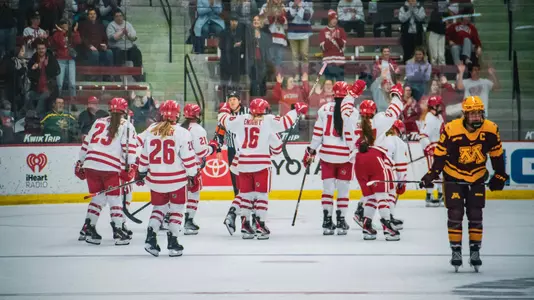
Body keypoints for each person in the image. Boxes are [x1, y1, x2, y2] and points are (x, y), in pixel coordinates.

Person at [420, 96, 508, 272]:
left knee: (476, 214)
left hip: (476, 176)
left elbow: (497, 155)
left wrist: (500, 174)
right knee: (455, 213)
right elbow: (440, 156)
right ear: (465, 114)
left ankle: (475, 251)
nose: (476, 117)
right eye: (472, 114)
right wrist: (431, 174)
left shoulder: (491, 129)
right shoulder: (452, 129)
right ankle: (456, 251)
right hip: (453, 175)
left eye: (478, 114)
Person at [218, 98, 308, 239]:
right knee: (261, 196)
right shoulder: (268, 121)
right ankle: (260, 225)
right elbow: (285, 124)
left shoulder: (241, 119)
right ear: (264, 110)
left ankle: (246, 226)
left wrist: (224, 109)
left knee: (245, 196)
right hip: (260, 164)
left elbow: (225, 121)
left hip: (243, 163)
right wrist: (295, 111)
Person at [302, 80, 365, 235]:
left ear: (333, 93)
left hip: (327, 155)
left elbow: (317, 135)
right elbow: (356, 136)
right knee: (343, 191)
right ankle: (341, 220)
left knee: (328, 190)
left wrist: (311, 151)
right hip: (345, 156)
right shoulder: (353, 111)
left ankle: (327, 220)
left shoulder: (323, 109)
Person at [136, 100, 198, 257]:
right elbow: (189, 159)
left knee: (158, 209)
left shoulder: (151, 130)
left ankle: (150, 238)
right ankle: (173, 242)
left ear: (161, 113)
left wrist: (142, 171)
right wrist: (192, 174)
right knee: (176, 210)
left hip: (155, 180)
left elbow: (144, 155)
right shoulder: (183, 132)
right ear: (177, 114)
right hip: (176, 181)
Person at [343, 83, 405, 241]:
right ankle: (387, 225)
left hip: (358, 161)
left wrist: (351, 93)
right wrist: (396, 94)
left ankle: (367, 226)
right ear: (374, 112)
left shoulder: (352, 119)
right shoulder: (379, 120)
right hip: (375, 158)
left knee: (369, 196)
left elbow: (345, 107)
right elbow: (395, 110)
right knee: (382, 194)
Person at [75, 97, 138, 246]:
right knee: (115, 199)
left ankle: (89, 229)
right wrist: (130, 167)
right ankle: (118, 231)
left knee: (98, 198)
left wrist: (80, 162)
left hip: (91, 164)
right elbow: (129, 149)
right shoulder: (127, 126)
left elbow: (86, 143)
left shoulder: (98, 122)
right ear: (124, 110)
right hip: (109, 167)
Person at [355, 119, 408, 231]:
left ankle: (363, 217)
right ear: (395, 129)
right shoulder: (397, 140)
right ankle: (388, 220)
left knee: (372, 195)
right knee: (387, 193)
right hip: (381, 166)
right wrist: (401, 181)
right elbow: (401, 164)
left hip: (360, 162)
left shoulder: (378, 135)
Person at [181, 103, 218, 235]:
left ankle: (168, 219)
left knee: (174, 195)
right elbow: (202, 152)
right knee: (194, 194)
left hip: (177, 169)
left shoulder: (179, 128)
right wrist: (213, 147)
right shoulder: (198, 130)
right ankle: (189, 220)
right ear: (198, 115)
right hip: (192, 168)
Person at [214, 91, 250, 197]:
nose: (232, 102)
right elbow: (219, 133)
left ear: (239, 101)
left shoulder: (248, 113)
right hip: (232, 150)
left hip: (246, 150)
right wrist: (218, 149)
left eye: (234, 99)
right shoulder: (225, 115)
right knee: (234, 175)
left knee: (247, 173)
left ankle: (248, 197)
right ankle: (237, 197)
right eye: (230, 100)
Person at [419, 95, 444, 207]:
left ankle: (440, 194)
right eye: (438, 105)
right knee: (432, 172)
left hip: (440, 149)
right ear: (434, 106)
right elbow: (423, 135)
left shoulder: (438, 117)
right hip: (433, 149)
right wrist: (428, 148)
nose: (440, 107)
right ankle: (429, 195)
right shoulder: (429, 118)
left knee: (440, 172)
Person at [319, 10, 347, 81]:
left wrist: (337, 38)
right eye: (333, 19)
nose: (335, 21)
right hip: (328, 63)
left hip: (340, 62)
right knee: (329, 85)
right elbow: (323, 48)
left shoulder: (341, 30)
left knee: (340, 86)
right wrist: (330, 38)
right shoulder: (323, 32)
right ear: (329, 20)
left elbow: (343, 47)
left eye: (336, 19)